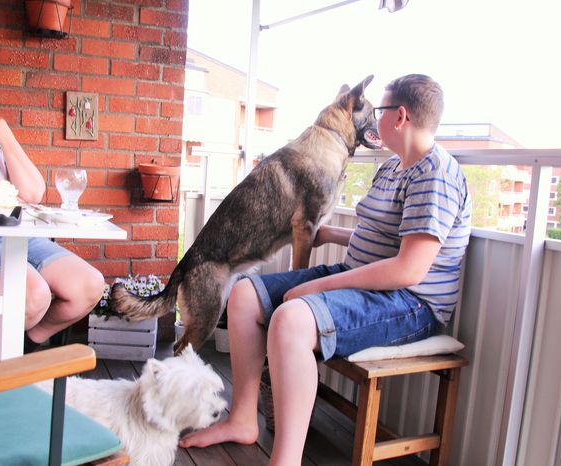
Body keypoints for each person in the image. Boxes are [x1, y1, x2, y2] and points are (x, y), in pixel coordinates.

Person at [178, 74, 472, 464]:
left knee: (290, 320)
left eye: (380, 111)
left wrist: (319, 287)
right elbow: (381, 238)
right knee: (245, 295)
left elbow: (408, 270)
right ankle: (243, 419)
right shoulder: (393, 168)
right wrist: (328, 233)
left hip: (409, 303)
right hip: (367, 283)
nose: (374, 120)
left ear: (400, 116)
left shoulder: (435, 174)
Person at [0, 68, 105, 366]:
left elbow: (33, 193)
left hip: (14, 236)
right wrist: (14, 198)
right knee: (32, 293)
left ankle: (11, 354)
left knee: (88, 285)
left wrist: (8, 140)